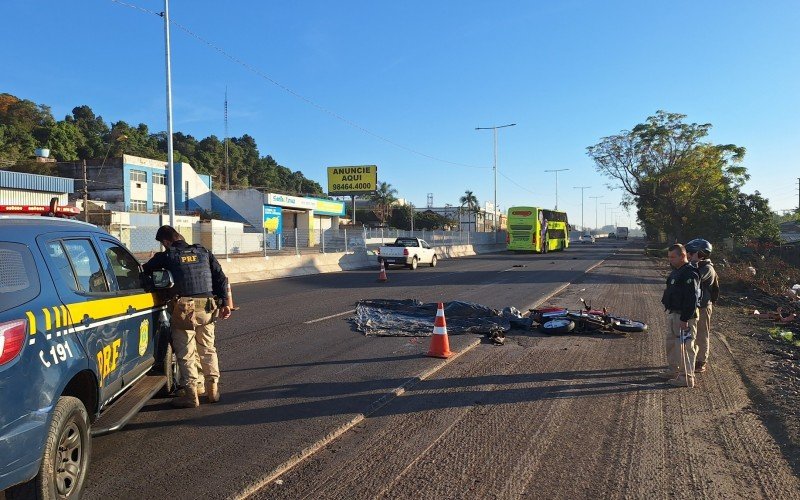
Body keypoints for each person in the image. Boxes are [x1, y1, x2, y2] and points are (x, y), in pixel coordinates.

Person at [143, 225, 232, 407]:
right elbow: (221, 278)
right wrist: (224, 303)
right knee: (208, 349)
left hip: (184, 309)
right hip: (208, 307)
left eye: (163, 244)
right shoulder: (203, 252)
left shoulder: (168, 255)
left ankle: (191, 396)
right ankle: (212, 390)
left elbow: (146, 270)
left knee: (186, 353)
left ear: (166, 241)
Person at [660, 243, 701, 388]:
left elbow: (692, 299)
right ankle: (673, 370)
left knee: (684, 346)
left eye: (673, 257)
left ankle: (686, 377)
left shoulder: (689, 273)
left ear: (683, 256)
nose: (670, 260)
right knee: (671, 344)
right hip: (673, 313)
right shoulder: (677, 271)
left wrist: (685, 319)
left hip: (684, 317)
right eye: (669, 257)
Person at [686, 238, 719, 373]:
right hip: (695, 306)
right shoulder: (696, 266)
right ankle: (691, 358)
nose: (689, 254)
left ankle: (701, 361)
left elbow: (695, 277)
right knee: (691, 334)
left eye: (692, 252)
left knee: (701, 334)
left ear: (700, 253)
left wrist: (693, 262)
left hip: (704, 306)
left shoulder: (707, 268)